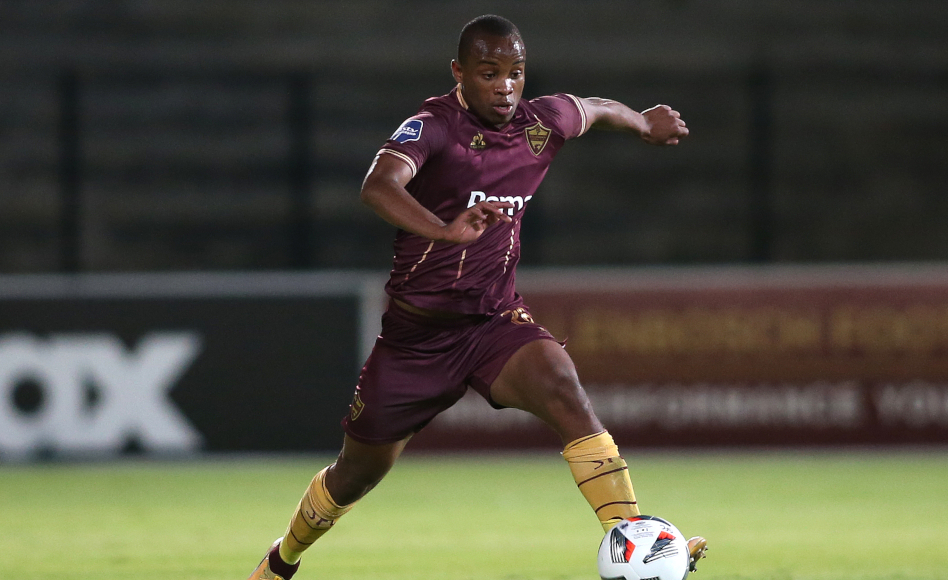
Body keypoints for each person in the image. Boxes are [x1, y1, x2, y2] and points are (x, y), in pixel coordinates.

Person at [248, 14, 705, 580]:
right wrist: (443, 231)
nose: (505, 86)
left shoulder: (544, 122)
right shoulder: (433, 126)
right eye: (489, 73)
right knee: (355, 475)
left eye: (515, 72)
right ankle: (281, 560)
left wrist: (641, 122)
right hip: (416, 340)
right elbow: (377, 186)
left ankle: (637, 541)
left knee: (561, 383)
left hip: (493, 324)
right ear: (459, 73)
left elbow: (596, 107)